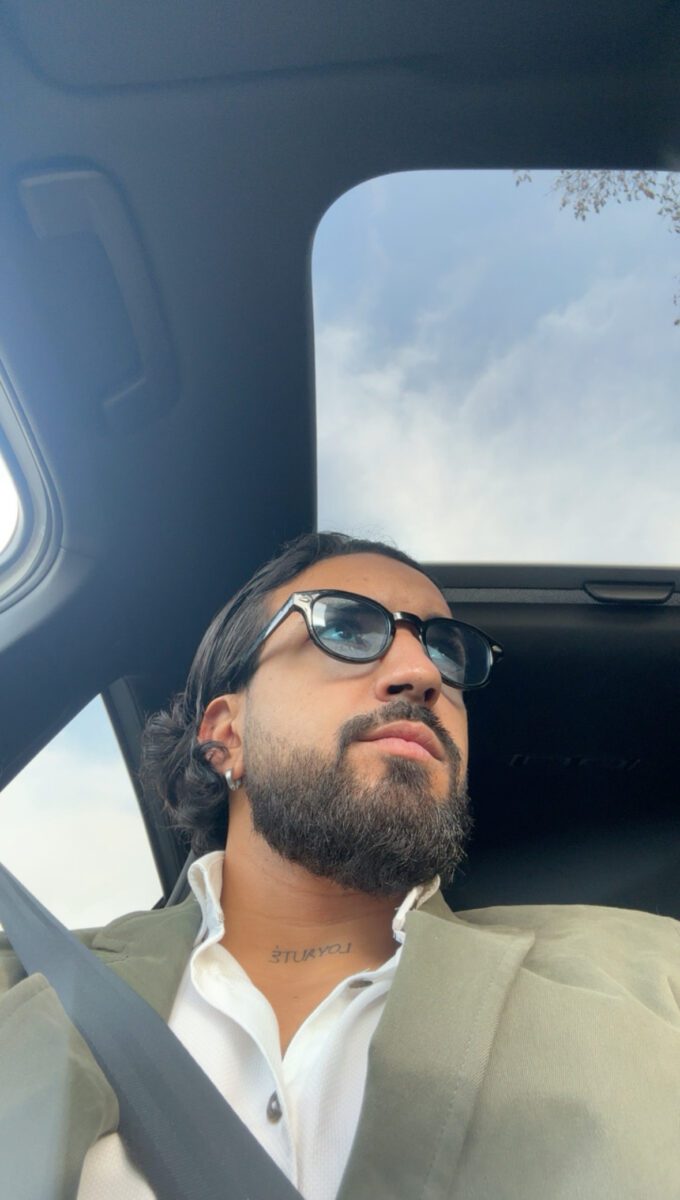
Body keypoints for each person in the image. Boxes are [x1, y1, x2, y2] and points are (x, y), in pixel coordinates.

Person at [2, 531, 680, 1200]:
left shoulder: (652, 975)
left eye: (446, 652)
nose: (423, 675)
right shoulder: (23, 985)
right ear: (225, 735)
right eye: (346, 628)